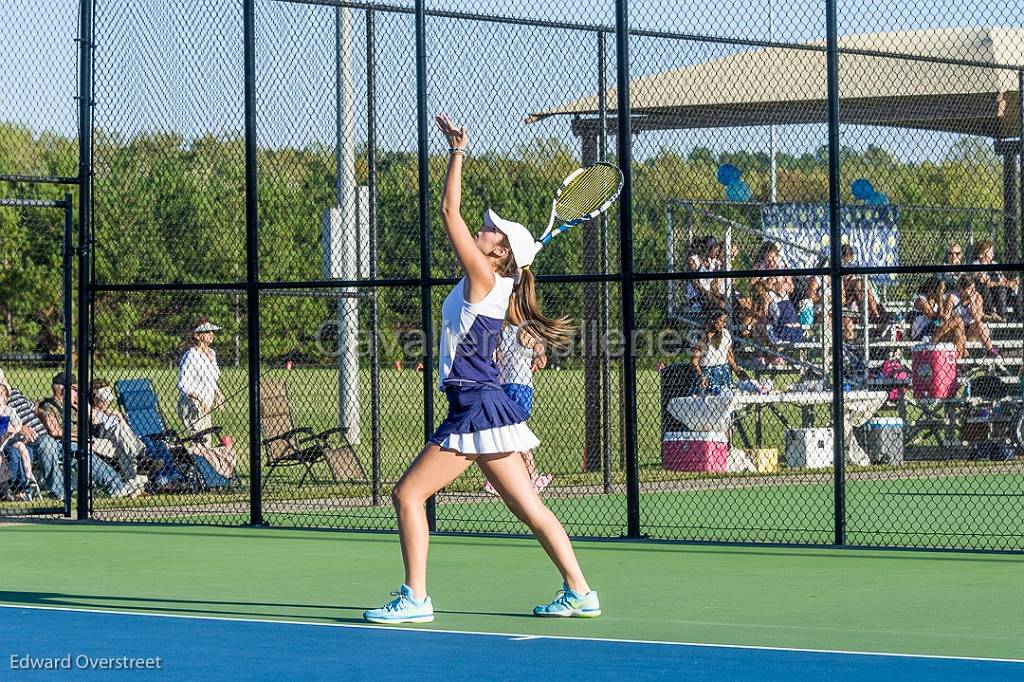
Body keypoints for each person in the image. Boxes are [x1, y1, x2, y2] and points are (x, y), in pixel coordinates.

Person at [363, 115, 599, 624]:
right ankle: (580, 591)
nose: (483, 228)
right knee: (529, 510)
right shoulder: (503, 285)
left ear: (499, 252)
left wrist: (457, 152)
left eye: (491, 230)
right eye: (486, 224)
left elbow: (449, 211)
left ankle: (416, 598)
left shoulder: (484, 277)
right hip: (488, 403)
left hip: (474, 405)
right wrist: (514, 262)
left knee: (408, 494)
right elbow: (506, 285)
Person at [36, 371, 142, 500]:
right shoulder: (49, 406)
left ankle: (119, 485)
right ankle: (121, 481)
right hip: (61, 444)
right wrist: (80, 437)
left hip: (86, 440)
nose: (78, 393)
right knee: (81, 450)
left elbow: (96, 421)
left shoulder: (76, 405)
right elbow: (55, 432)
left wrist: (83, 406)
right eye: (75, 389)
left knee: (95, 446)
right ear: (64, 390)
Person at [483, 318, 554, 496]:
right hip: (516, 386)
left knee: (511, 430)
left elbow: (493, 357)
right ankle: (528, 477)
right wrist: (538, 358)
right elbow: (541, 358)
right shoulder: (526, 330)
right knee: (513, 430)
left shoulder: (505, 330)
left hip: (509, 385)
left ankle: (500, 479)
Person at [90, 379, 156, 488]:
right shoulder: (91, 410)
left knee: (121, 445)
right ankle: (140, 456)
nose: (106, 403)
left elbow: (126, 427)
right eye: (103, 400)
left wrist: (119, 416)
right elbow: (95, 422)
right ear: (95, 398)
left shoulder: (112, 411)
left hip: (118, 440)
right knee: (118, 429)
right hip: (104, 435)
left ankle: (133, 482)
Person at [177, 317, 225, 446]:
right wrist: (199, 399)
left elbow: (211, 379)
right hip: (191, 404)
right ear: (197, 336)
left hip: (205, 406)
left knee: (206, 442)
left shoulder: (211, 353)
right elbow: (182, 384)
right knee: (199, 442)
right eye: (207, 331)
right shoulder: (191, 355)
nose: (211, 334)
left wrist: (218, 394)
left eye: (212, 331)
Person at [690, 308, 748, 394]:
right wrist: (701, 375)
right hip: (706, 373)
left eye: (725, 321)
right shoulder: (700, 335)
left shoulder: (725, 333)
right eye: (721, 321)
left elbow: (729, 355)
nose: (724, 324)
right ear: (713, 320)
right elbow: (694, 360)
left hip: (723, 371)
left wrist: (737, 371)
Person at [909, 277, 967, 358]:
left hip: (935, 331)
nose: (942, 293)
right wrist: (940, 299)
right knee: (957, 320)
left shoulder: (937, 301)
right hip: (922, 334)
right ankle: (963, 359)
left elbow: (943, 319)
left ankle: (958, 365)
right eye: (940, 290)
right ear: (932, 290)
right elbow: (935, 318)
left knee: (958, 331)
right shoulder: (921, 300)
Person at [949, 276, 999, 356]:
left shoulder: (977, 297)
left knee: (979, 324)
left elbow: (977, 317)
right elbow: (948, 315)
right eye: (970, 289)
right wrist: (961, 301)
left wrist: (971, 301)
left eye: (974, 288)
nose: (973, 291)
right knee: (959, 328)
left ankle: (991, 350)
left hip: (971, 328)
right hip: (956, 328)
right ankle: (966, 358)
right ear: (961, 289)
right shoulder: (953, 297)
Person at [972, 240, 1018, 321]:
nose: (993, 254)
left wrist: (1012, 282)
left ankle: (1003, 316)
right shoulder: (976, 265)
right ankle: (991, 313)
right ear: (982, 254)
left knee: (1003, 289)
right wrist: (1006, 283)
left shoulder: (994, 264)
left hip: (997, 293)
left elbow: (1003, 280)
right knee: (995, 288)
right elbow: (987, 283)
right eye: (990, 252)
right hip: (984, 294)